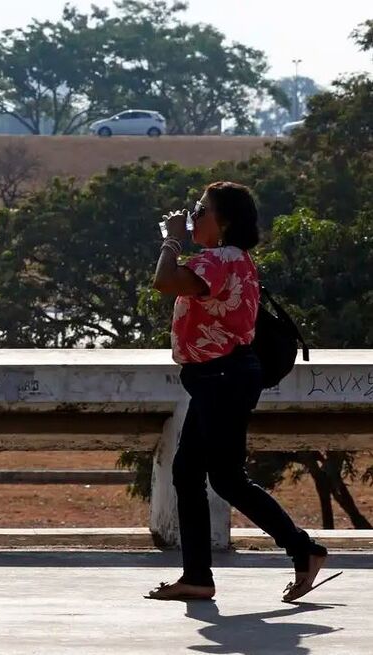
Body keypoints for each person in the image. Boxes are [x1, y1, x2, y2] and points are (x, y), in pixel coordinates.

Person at [146, 181, 328, 602]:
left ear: (223, 222)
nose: (194, 215)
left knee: (224, 478)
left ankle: (303, 548)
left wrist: (171, 238)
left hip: (222, 379)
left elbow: (164, 281)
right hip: (219, 379)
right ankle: (197, 577)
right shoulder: (232, 259)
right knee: (191, 474)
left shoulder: (219, 260)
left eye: (201, 210)